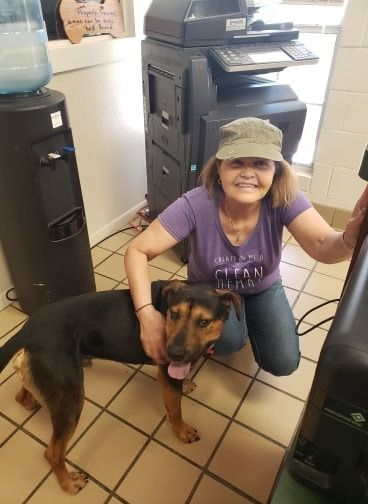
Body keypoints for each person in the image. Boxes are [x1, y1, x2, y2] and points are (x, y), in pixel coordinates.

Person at [124, 117, 368, 376]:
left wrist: (350, 238)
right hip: (211, 292)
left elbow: (323, 246)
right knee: (229, 342)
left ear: (276, 171)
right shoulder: (195, 204)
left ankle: (252, 319)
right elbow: (137, 250)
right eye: (236, 162)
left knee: (284, 362)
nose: (248, 173)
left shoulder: (285, 199)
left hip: (263, 288)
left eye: (261, 163)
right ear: (219, 168)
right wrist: (146, 315)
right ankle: (237, 331)